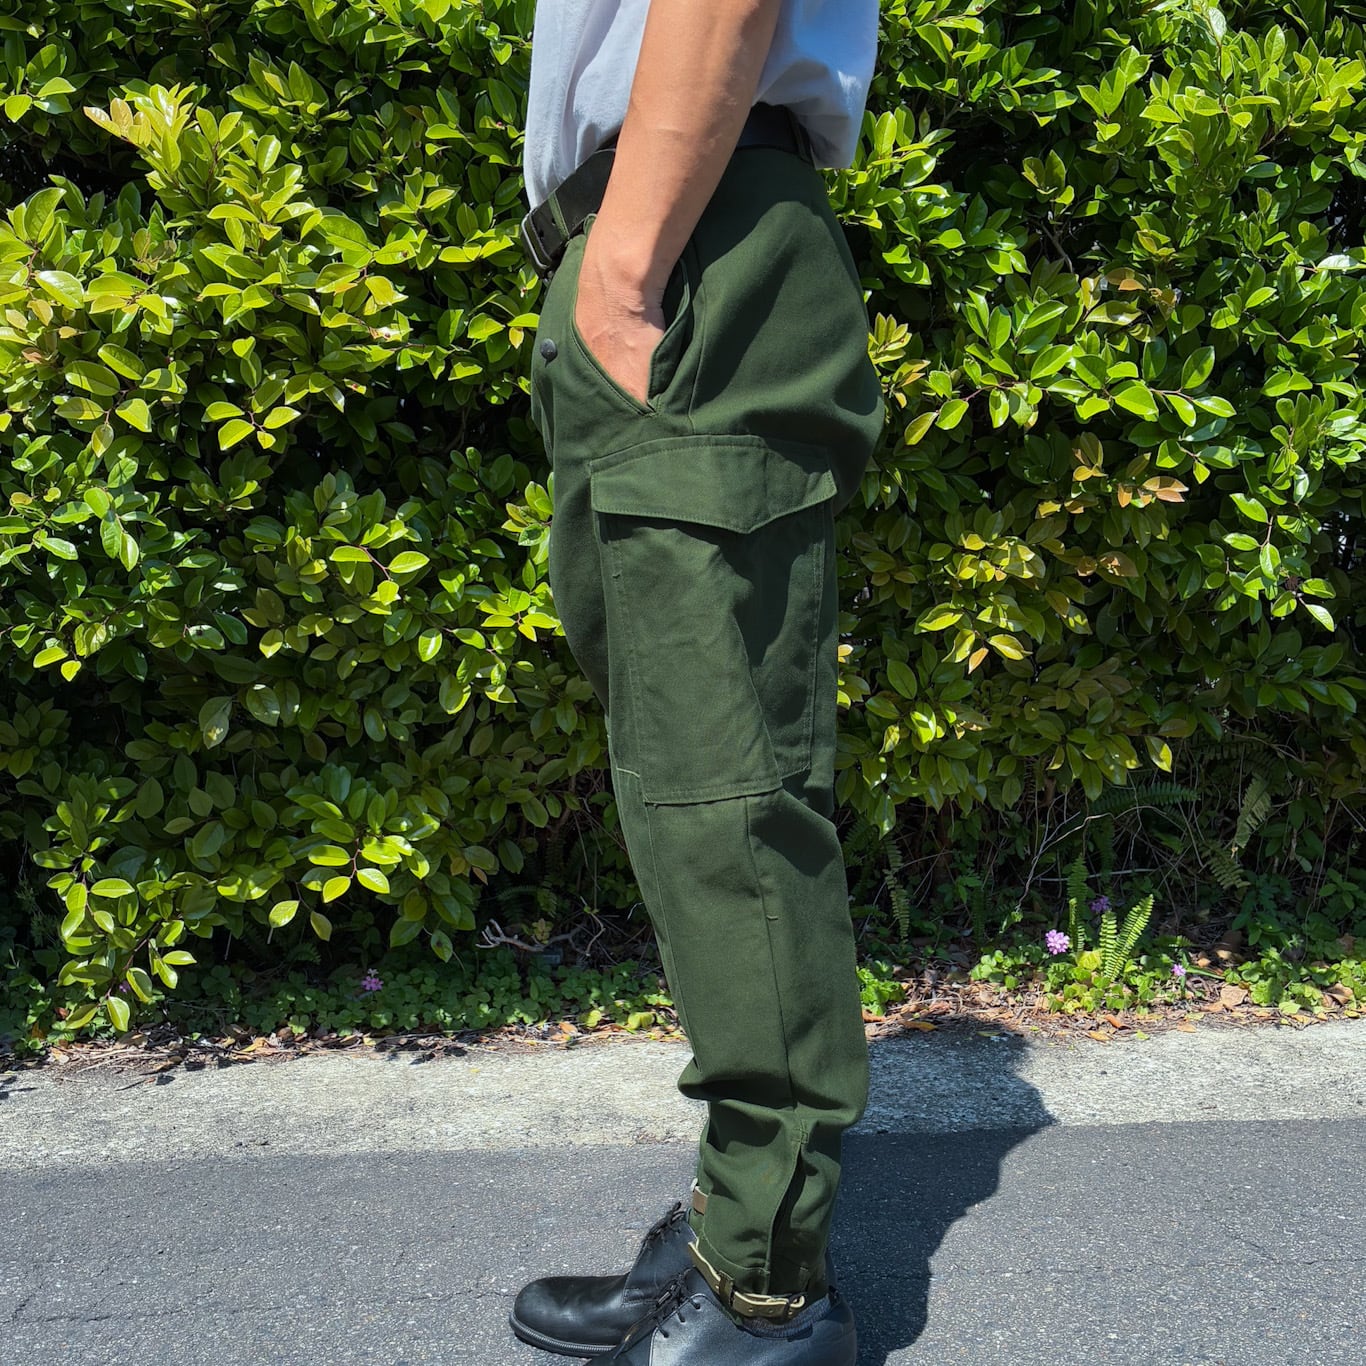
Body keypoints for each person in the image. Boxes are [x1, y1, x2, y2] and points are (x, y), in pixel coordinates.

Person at [512, 2, 884, 1361]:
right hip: (679, 238)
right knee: (693, 792)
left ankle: (765, 1293)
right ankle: (741, 1212)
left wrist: (622, 271)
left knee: (724, 802)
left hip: (688, 243)